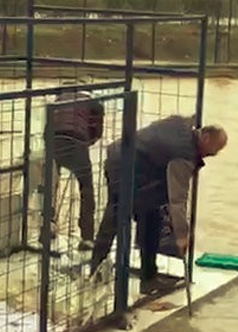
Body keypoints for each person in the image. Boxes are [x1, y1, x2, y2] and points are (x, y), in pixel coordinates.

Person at [89, 115, 227, 295]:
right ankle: (101, 273)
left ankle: (145, 276)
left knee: (149, 217)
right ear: (206, 138)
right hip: (125, 165)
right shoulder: (183, 155)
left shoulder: (180, 124)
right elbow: (178, 198)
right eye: (214, 150)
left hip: (122, 155)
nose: (213, 155)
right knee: (119, 215)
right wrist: (182, 235)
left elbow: (174, 124)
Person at [48, 85, 105, 250]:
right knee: (86, 187)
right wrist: (86, 143)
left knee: (50, 183)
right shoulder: (95, 103)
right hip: (76, 140)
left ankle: (48, 223)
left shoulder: (60, 99)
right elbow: (97, 132)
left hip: (52, 139)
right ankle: (87, 237)